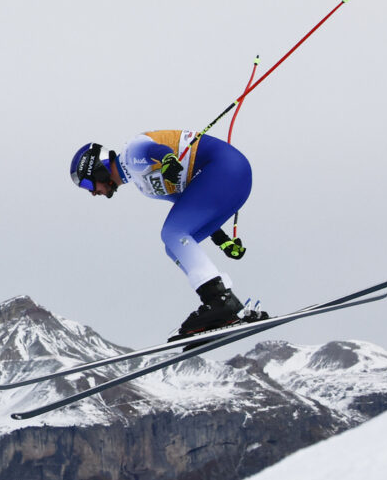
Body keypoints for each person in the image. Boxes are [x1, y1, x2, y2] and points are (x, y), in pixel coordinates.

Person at [69, 130, 260, 338]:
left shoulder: (130, 154)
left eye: (88, 184)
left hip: (224, 169)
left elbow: (154, 149)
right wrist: (222, 240)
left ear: (97, 169)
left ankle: (219, 300)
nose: (92, 193)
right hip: (232, 182)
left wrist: (168, 160)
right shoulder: (144, 185)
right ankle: (229, 306)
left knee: (172, 233)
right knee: (174, 246)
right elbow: (189, 206)